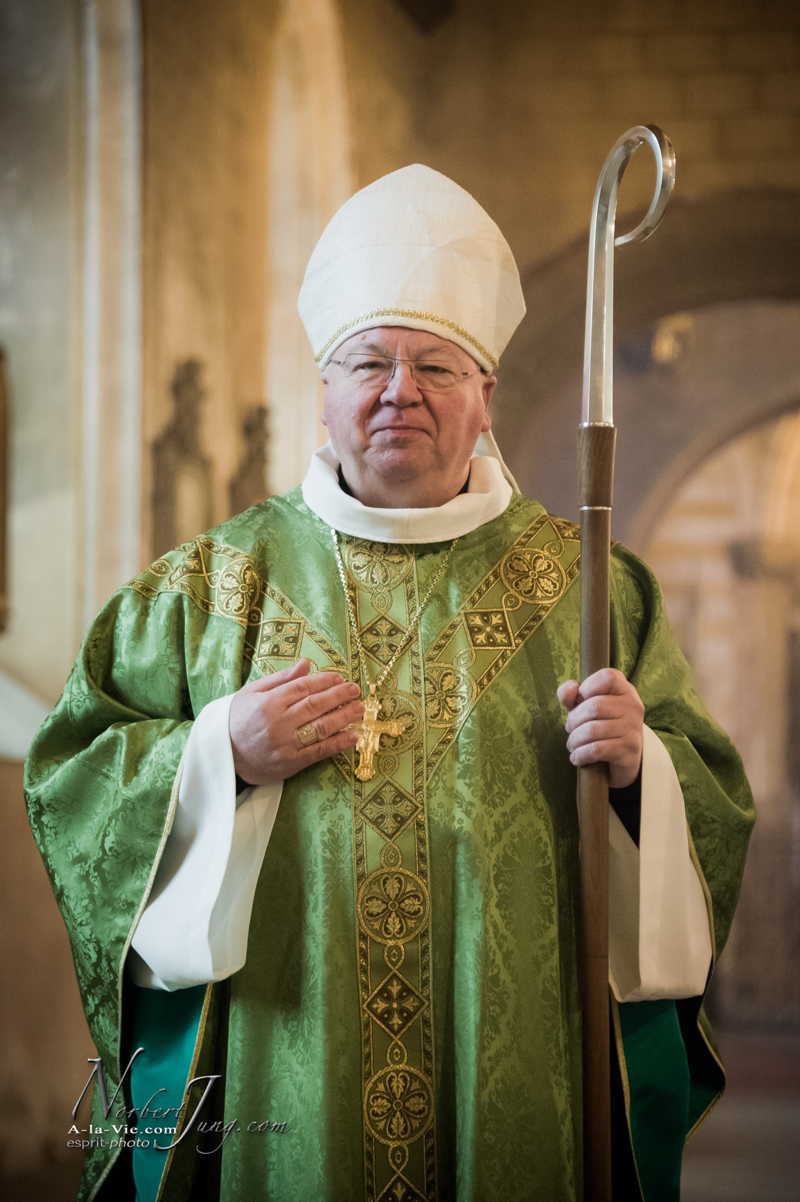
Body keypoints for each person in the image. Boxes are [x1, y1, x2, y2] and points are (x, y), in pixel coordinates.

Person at [25, 165, 754, 1202]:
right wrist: (217, 752)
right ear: (321, 391)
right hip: (287, 1054)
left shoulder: (589, 589)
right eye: (367, 361)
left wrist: (643, 772)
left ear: (485, 395)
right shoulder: (210, 586)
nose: (398, 391)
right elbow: (72, 772)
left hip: (515, 1056)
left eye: (436, 366)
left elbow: (710, 791)